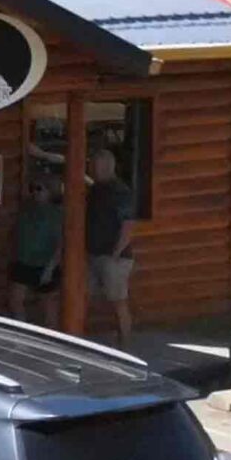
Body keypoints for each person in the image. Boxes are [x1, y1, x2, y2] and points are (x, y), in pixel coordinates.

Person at [87, 148, 137, 346]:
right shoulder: (96, 188)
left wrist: (116, 252)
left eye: (95, 166)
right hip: (93, 254)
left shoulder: (121, 192)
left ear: (107, 166)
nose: (91, 169)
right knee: (83, 296)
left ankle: (124, 346)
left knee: (118, 302)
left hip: (114, 257)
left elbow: (128, 225)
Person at [11, 175, 62, 323]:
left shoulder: (56, 214)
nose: (35, 192)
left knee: (47, 306)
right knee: (15, 300)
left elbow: (60, 244)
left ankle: (50, 338)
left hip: (45, 263)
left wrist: (50, 268)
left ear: (50, 191)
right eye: (32, 189)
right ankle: (21, 333)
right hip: (23, 261)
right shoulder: (26, 208)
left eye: (39, 189)